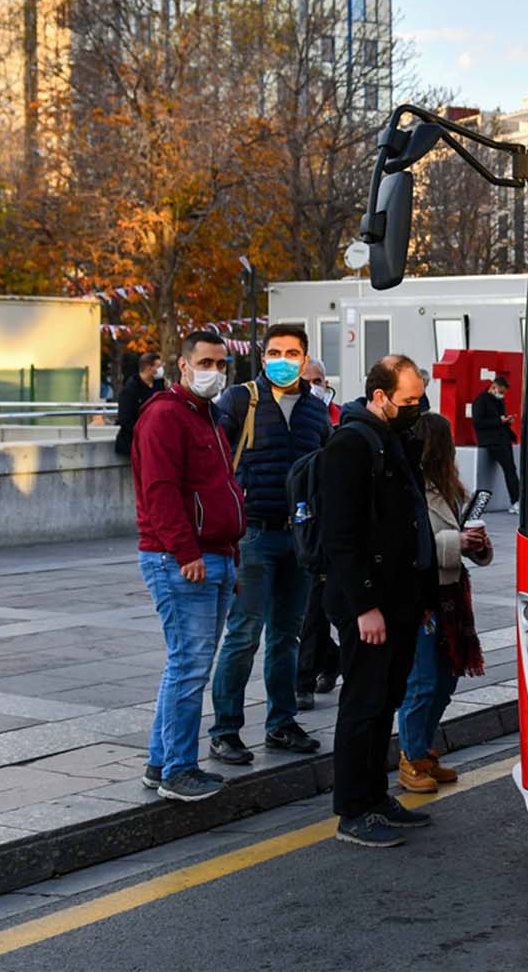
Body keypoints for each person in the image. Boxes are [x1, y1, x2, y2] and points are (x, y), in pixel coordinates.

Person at [319, 354, 436, 848]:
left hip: (401, 597)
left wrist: (424, 595)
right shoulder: (350, 444)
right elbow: (340, 536)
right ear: (380, 396)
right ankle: (352, 809)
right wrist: (364, 605)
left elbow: (412, 521)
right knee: (363, 703)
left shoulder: (395, 439)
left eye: (420, 399)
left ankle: (375, 796)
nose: (417, 408)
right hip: (368, 603)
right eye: (409, 400)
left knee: (387, 698)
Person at [207, 324, 330, 766]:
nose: (283, 360)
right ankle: (225, 731)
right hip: (253, 535)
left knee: (286, 636)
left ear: (304, 358)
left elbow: (324, 473)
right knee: (244, 635)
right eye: (275, 352)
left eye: (292, 353)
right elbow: (212, 460)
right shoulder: (240, 400)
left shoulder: (316, 410)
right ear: (262, 358)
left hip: (299, 537)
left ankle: (282, 723)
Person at [132, 331, 244, 804]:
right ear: (183, 365)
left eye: (221, 364)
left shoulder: (207, 416)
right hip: (182, 558)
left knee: (187, 664)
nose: (214, 372)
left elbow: (220, 487)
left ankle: (162, 762)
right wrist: (186, 553)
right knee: (189, 666)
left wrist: (229, 555)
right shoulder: (165, 415)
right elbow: (159, 492)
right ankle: (178, 769)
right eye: (205, 362)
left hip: (214, 554)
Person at [397, 412, 490, 792]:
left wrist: (477, 545)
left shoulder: (450, 487)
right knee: (422, 680)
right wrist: (457, 542)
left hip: (451, 593)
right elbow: (406, 546)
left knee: (447, 678)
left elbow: (461, 543)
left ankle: (423, 749)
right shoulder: (408, 488)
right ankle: (410, 757)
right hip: (422, 595)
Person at [295, 359, 342, 710]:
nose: (315, 386)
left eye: (319, 380)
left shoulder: (338, 419)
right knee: (299, 614)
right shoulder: (292, 418)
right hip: (293, 520)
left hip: (322, 527)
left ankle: (304, 681)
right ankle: (331, 659)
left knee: (313, 610)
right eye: (308, 380)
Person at [471, 373, 521, 514]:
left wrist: (507, 421)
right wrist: (499, 421)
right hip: (491, 441)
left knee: (511, 469)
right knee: (510, 469)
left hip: (503, 439)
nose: (502, 395)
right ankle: (515, 500)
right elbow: (478, 422)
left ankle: (517, 500)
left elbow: (499, 419)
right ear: (493, 387)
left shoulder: (499, 401)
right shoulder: (480, 401)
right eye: (501, 392)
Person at [114, 352, 166, 457]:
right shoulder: (130, 390)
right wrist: (145, 432)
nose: (161, 370)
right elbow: (125, 419)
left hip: (155, 441)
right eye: (158, 366)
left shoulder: (159, 385)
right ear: (149, 368)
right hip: (134, 443)